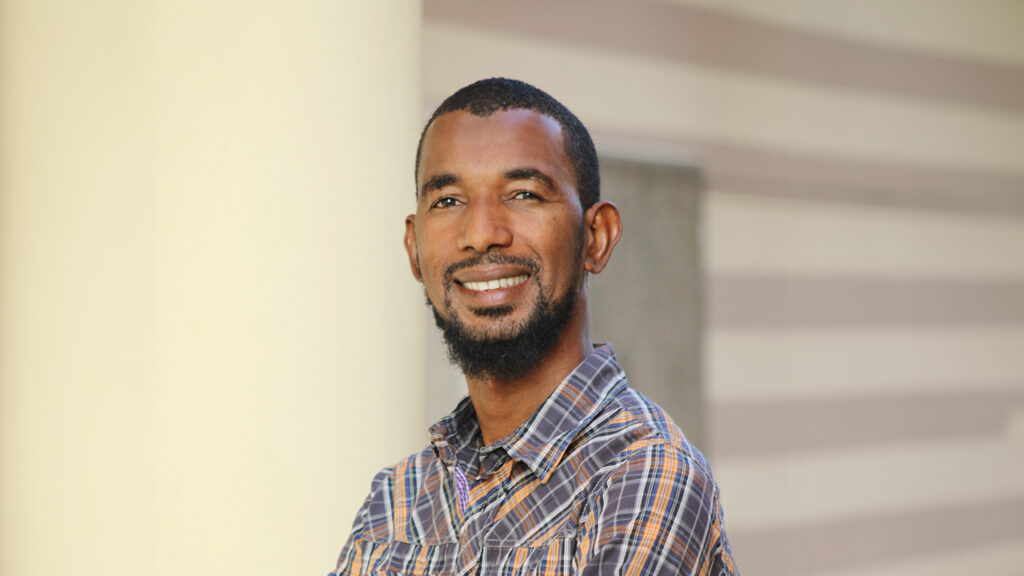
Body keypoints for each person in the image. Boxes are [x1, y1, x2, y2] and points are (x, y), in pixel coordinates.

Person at [330, 78, 738, 576]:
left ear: (596, 237)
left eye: (523, 194)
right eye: (448, 201)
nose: (481, 235)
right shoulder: (396, 500)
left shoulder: (644, 473)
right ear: (414, 249)